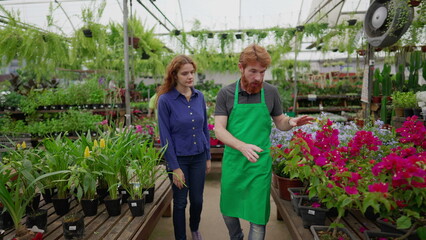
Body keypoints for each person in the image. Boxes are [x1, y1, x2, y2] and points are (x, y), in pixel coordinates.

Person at [214, 44, 314, 240]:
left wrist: (290, 122)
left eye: (262, 72)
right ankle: (236, 237)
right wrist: (242, 146)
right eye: (253, 71)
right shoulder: (225, 94)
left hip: (258, 163)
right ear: (240, 67)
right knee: (228, 210)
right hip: (234, 161)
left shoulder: (270, 92)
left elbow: (280, 123)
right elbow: (219, 130)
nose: (258, 77)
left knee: (258, 217)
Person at [157, 55, 211, 240]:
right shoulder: (165, 100)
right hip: (178, 159)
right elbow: (165, 136)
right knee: (180, 203)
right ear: (175, 75)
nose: (190, 77)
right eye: (185, 73)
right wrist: (175, 168)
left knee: (197, 200)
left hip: (198, 157)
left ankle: (194, 228)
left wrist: (208, 156)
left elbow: (205, 128)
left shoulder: (199, 97)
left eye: (192, 73)